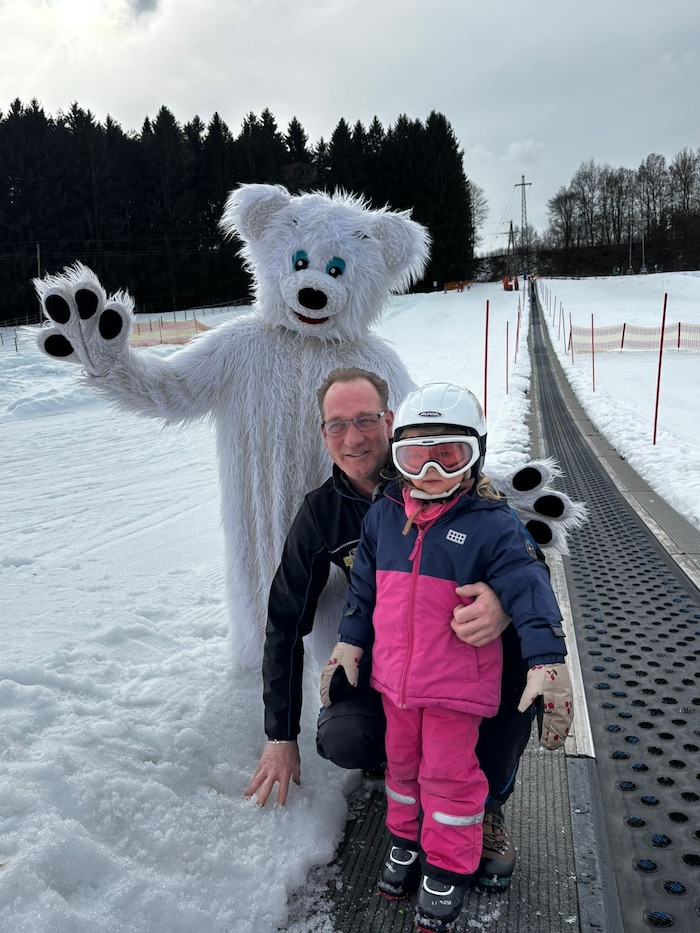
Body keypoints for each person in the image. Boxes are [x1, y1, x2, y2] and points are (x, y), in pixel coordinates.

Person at [245, 368, 536, 890]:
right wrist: (279, 733)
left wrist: (504, 606)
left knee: (519, 672)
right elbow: (285, 619)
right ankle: (412, 785)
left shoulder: (453, 472)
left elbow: (523, 561)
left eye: (364, 421)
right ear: (323, 433)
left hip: (461, 662)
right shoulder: (323, 513)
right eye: (337, 425)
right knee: (346, 737)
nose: (352, 438)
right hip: (388, 667)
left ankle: (485, 805)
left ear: (389, 420)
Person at [319, 383, 574, 932]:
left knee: (450, 778)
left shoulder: (490, 522)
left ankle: (449, 865)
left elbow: (530, 584)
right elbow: (364, 590)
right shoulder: (384, 517)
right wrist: (350, 642)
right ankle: (407, 842)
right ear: (398, 457)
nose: (431, 470)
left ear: (475, 453)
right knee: (402, 769)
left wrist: (547, 659)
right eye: (416, 456)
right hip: (396, 685)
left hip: (457, 690)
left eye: (449, 454)